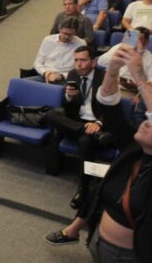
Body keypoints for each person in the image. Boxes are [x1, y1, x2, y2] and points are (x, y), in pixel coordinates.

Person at [44, 45, 152, 263]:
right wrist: (113, 69)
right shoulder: (135, 148)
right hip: (101, 244)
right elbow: (109, 108)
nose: (146, 123)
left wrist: (140, 77)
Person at [43, 46, 113, 209]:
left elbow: (111, 109)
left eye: (83, 60)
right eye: (76, 60)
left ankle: (84, 187)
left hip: (96, 123)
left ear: (93, 62)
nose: (79, 64)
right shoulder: (73, 75)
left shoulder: (105, 78)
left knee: (84, 142)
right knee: (49, 115)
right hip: (78, 122)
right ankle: (89, 133)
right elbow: (67, 107)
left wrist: (98, 124)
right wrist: (68, 96)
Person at [33, 17, 87, 84]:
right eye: (65, 33)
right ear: (60, 29)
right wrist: (46, 73)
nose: (67, 37)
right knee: (20, 85)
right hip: (46, 75)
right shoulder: (48, 40)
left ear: (75, 32)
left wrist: (62, 76)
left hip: (66, 78)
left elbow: (80, 67)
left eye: (70, 35)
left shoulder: (81, 43)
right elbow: (37, 63)